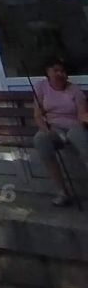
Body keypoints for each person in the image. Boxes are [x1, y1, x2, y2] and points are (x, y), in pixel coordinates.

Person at [33, 56, 88, 206]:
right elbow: (38, 115)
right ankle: (62, 192)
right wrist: (45, 130)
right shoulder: (40, 87)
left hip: (73, 126)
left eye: (63, 71)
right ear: (47, 72)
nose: (60, 74)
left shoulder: (75, 91)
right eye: (56, 70)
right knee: (40, 140)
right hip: (53, 127)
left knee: (80, 140)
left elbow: (82, 115)